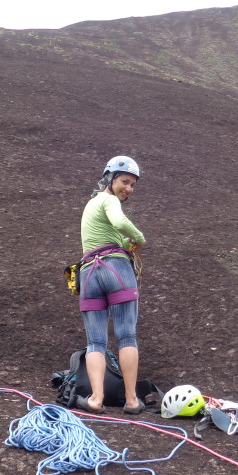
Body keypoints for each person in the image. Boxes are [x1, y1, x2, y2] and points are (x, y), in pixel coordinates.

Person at [75, 155, 146, 414]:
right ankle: (131, 400)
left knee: (95, 342)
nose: (128, 188)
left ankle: (95, 399)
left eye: (132, 185)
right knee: (126, 335)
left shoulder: (91, 204)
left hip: (88, 273)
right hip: (115, 269)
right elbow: (119, 223)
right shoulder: (109, 200)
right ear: (110, 178)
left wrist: (126, 244)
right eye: (124, 181)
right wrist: (138, 237)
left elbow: (107, 237)